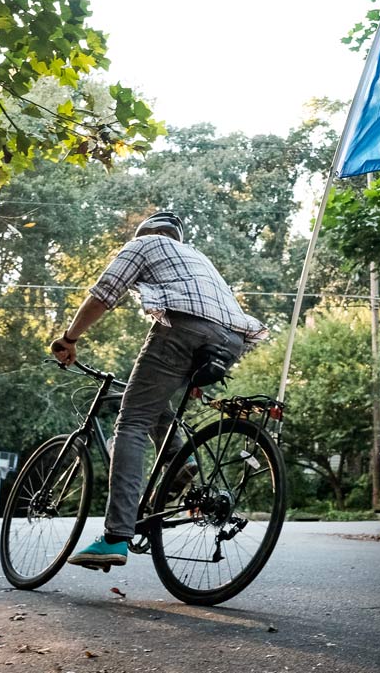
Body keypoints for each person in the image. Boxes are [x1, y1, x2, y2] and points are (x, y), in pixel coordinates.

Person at [49, 211, 266, 570]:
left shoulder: (144, 244)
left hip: (184, 330)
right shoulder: (197, 258)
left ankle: (116, 536)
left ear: (145, 232)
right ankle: (181, 463)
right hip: (231, 341)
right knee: (151, 401)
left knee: (131, 422)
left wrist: (69, 338)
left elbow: (105, 293)